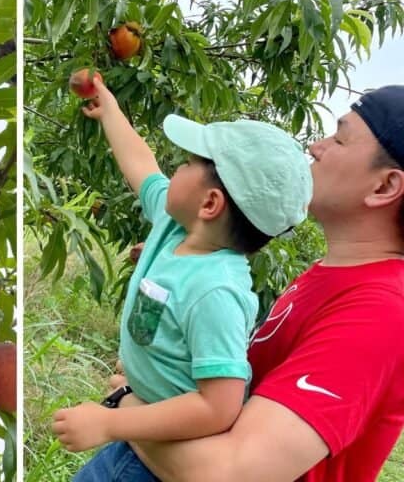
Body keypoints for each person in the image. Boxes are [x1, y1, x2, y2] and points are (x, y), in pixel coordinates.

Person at [56, 84, 404, 482]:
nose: (316, 147)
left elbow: (227, 472)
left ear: (384, 187)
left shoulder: (380, 313)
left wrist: (126, 407)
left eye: (340, 138)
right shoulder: (329, 276)